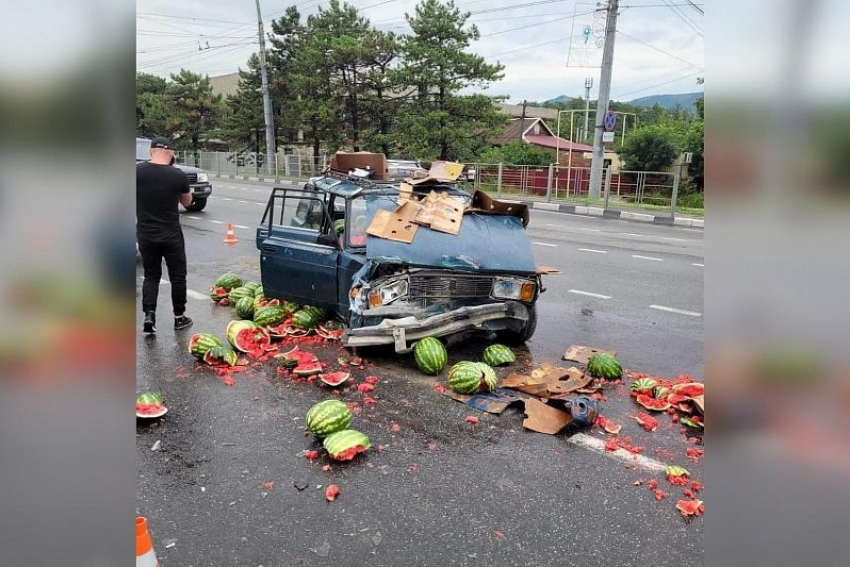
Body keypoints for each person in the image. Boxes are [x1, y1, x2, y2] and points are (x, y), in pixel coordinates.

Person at [136, 136, 193, 333]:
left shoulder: (136, 172)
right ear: (171, 154)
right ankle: (179, 317)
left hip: (145, 233)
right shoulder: (177, 175)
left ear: (150, 152)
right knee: (178, 276)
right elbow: (187, 202)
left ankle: (149, 315)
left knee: (151, 275)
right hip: (171, 234)